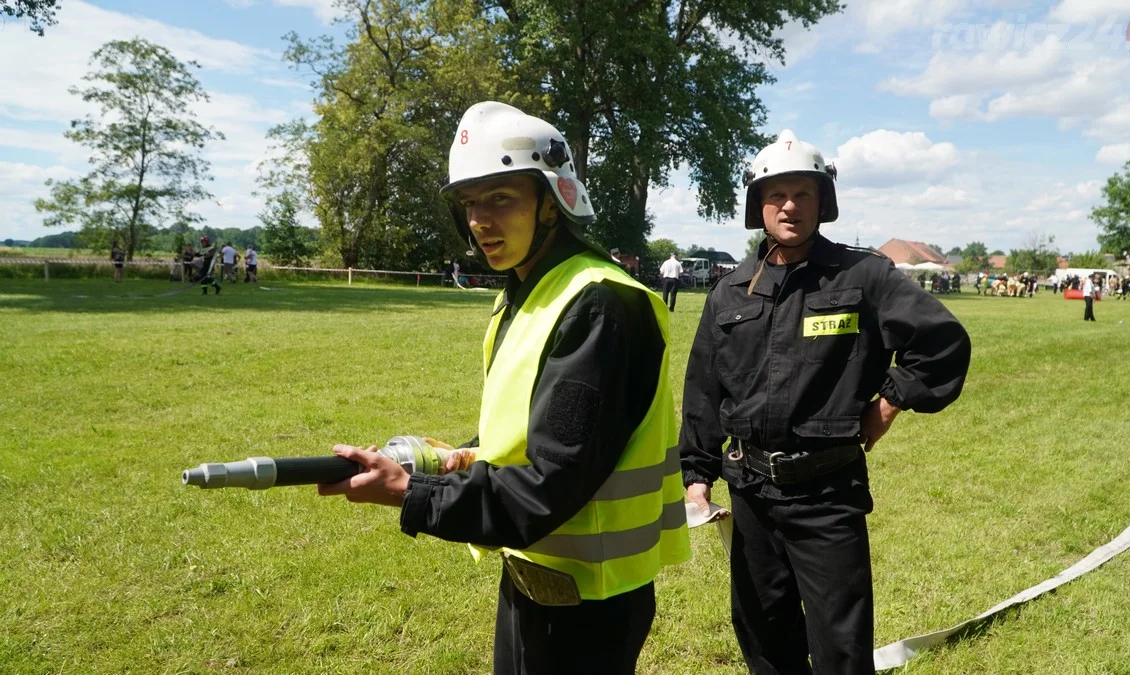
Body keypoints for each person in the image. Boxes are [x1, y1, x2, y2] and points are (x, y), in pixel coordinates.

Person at [315, 101, 689, 675]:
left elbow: (550, 483)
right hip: (533, 578)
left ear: (551, 202)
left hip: (590, 601)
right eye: (469, 204)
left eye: (500, 199)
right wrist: (452, 457)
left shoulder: (599, 304)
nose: (479, 221)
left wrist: (410, 494)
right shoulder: (525, 293)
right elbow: (526, 432)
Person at [677, 130, 971, 675]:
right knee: (763, 635)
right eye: (776, 194)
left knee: (841, 647)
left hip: (828, 494)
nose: (789, 205)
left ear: (823, 202)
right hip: (750, 493)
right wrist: (696, 471)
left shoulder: (864, 276)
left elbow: (943, 344)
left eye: (804, 194)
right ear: (757, 205)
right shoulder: (731, 291)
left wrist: (888, 402)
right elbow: (704, 388)